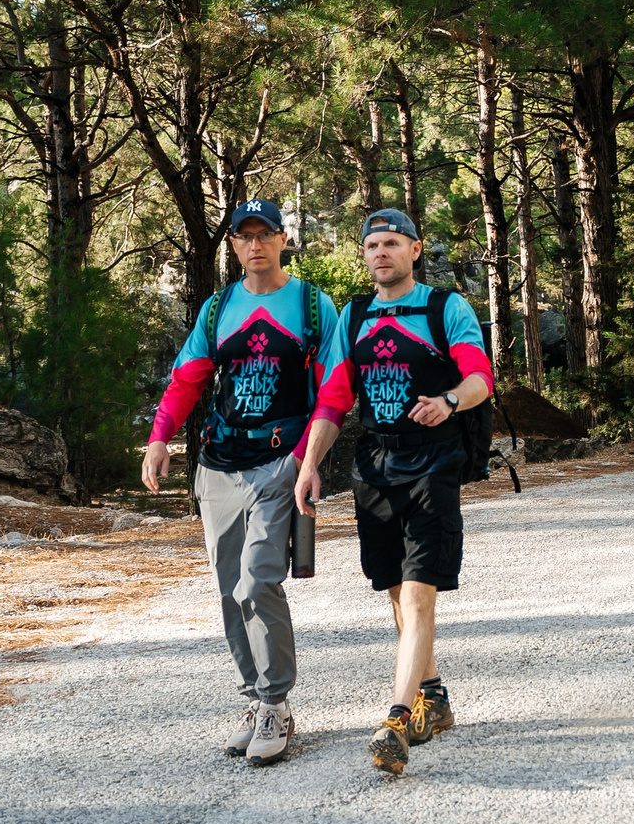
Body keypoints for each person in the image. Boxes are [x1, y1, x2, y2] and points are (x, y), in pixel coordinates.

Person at [142, 200, 343, 767]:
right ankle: (255, 700)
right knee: (230, 590)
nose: (254, 244)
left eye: (265, 234)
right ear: (232, 245)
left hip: (280, 465)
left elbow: (333, 386)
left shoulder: (310, 305)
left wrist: (308, 459)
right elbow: (186, 380)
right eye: (243, 236)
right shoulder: (217, 310)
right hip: (218, 467)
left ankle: (277, 702)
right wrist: (160, 439)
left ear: (283, 240)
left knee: (258, 581)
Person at [296, 207, 495, 776]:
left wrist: (449, 400)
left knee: (417, 596)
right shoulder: (354, 316)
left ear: (415, 249)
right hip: (375, 466)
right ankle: (434, 697)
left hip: (434, 463)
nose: (380, 253)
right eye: (372, 245)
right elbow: (334, 399)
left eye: (391, 243)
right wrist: (310, 465)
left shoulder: (444, 307)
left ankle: (396, 719)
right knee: (393, 590)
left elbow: (480, 377)